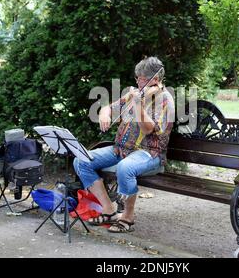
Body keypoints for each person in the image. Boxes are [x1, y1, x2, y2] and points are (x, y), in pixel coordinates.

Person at [73, 56, 175, 233]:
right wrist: (105, 113)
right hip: (121, 149)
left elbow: (148, 128)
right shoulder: (135, 93)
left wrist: (138, 105)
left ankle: (128, 216)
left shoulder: (165, 100)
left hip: (149, 153)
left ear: (155, 80)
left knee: (124, 168)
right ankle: (109, 210)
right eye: (137, 78)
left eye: (141, 79)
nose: (138, 82)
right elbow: (109, 107)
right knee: (81, 161)